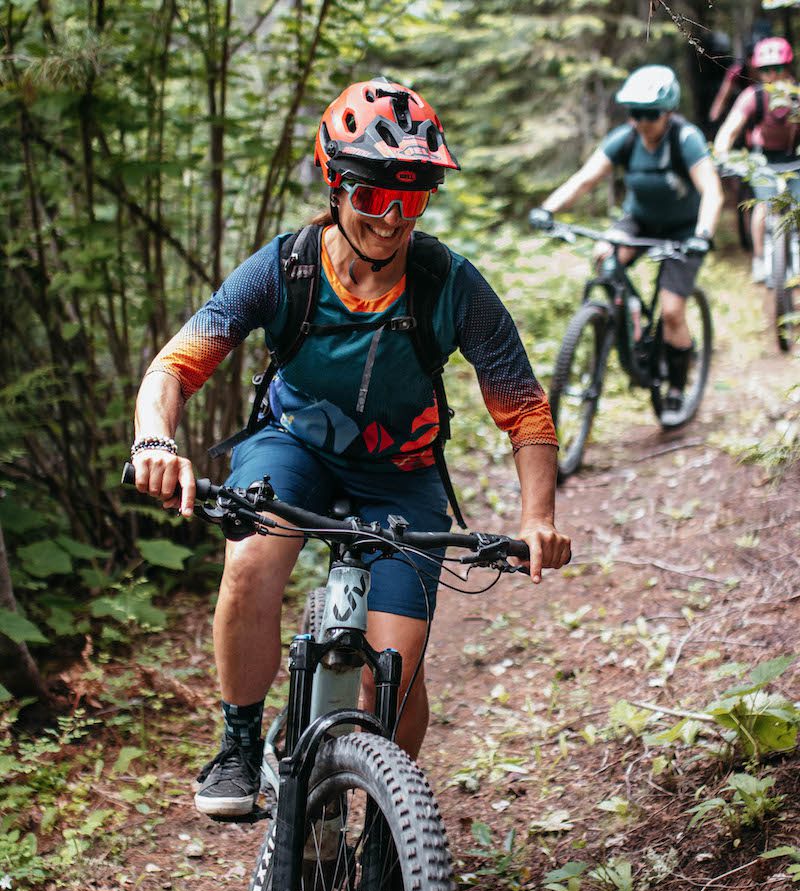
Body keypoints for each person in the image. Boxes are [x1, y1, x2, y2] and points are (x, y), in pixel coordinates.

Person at [131, 78, 572, 817]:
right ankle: (239, 742)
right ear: (336, 185)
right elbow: (176, 366)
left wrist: (537, 517)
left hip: (402, 475)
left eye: (412, 199)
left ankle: (394, 832)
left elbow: (524, 409)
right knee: (250, 563)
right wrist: (154, 439)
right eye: (373, 197)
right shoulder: (288, 266)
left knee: (394, 672)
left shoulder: (451, 285)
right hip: (292, 448)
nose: (392, 219)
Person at [529, 65, 723, 425]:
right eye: (634, 113)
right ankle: (625, 318)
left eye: (649, 114)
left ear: (668, 112)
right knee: (604, 257)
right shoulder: (626, 138)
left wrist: (703, 235)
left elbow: (711, 189)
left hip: (684, 231)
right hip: (639, 221)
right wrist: (547, 208)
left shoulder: (686, 139)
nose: (641, 122)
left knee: (671, 311)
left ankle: (677, 387)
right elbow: (585, 178)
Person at [714, 36, 800, 284]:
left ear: (788, 67)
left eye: (778, 68)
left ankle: (795, 248)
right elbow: (729, 130)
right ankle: (760, 258)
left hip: (794, 159)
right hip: (762, 160)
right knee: (763, 205)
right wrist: (721, 155)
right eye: (765, 70)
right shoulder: (753, 96)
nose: (772, 75)